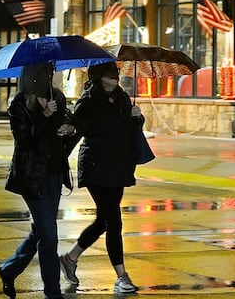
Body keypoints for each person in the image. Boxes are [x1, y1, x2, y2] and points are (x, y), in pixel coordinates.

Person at [59, 61, 143, 294]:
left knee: (103, 221)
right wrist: (63, 140)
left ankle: (70, 258)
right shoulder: (90, 100)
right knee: (114, 221)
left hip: (118, 166)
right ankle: (121, 276)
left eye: (116, 72)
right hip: (97, 167)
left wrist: (137, 118)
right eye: (110, 74)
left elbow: (128, 129)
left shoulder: (123, 98)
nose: (115, 77)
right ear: (98, 76)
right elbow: (77, 128)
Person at [0, 63, 76, 299]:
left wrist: (69, 128)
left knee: (43, 231)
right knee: (49, 235)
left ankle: (9, 270)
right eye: (42, 74)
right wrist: (44, 116)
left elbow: (70, 124)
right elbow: (24, 140)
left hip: (54, 173)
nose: (47, 78)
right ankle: (52, 293)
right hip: (32, 176)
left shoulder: (58, 97)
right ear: (31, 77)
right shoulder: (19, 104)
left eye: (49, 74)